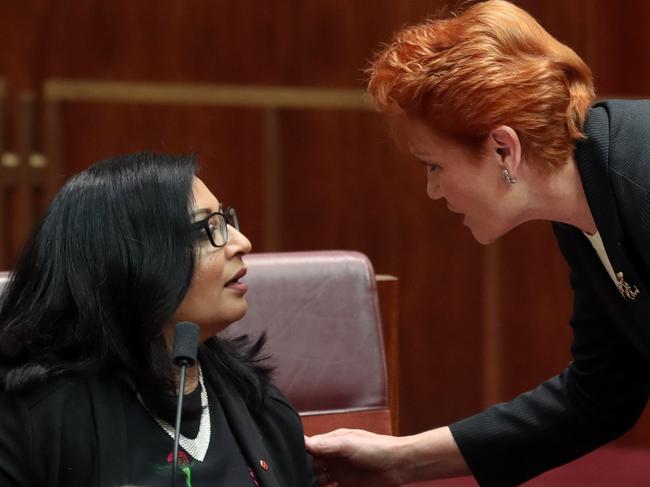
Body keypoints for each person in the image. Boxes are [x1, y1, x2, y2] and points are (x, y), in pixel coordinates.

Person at [305, 0, 650, 485]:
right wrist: (400, 459)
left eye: (433, 165)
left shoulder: (640, 177)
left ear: (503, 149)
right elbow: (600, 397)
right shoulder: (586, 206)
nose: (432, 190)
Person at [0, 152, 318, 486]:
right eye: (207, 229)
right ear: (131, 259)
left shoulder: (257, 401)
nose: (243, 242)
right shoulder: (34, 418)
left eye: (224, 221)